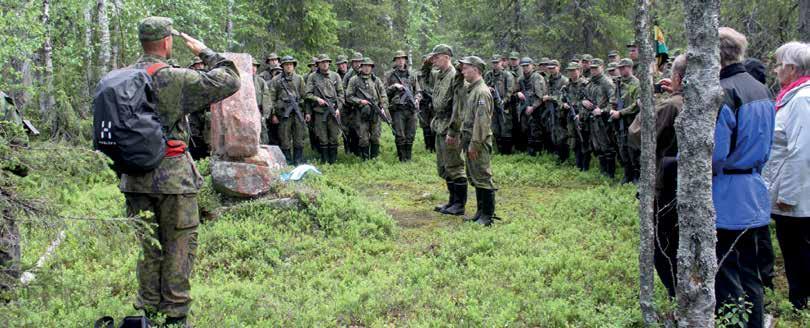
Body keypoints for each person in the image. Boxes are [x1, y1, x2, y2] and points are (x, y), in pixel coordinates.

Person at [122, 17, 240, 326]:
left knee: (149, 247)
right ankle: (174, 316)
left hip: (133, 178)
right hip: (172, 178)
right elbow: (229, 79)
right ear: (165, 42)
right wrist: (206, 52)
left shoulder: (122, 77)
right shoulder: (172, 78)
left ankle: (147, 312)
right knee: (179, 246)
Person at [712, 27, 776, 328]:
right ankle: (757, 322)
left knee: (726, 269)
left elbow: (717, 153)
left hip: (727, 192)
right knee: (751, 269)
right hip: (754, 188)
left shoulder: (724, 92)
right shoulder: (762, 89)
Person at [629, 54, 687, 298]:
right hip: (691, 183)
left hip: (666, 185)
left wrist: (649, 106)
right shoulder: (703, 101)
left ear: (677, 77)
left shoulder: (672, 105)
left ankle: (677, 295)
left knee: (662, 246)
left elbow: (638, 136)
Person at [764, 41, 810, 311]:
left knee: (798, 250)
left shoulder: (803, 100)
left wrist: (788, 196)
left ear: (792, 68)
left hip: (797, 196)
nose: (776, 70)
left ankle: (800, 305)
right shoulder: (792, 96)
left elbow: (801, 151)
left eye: (780, 65)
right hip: (791, 190)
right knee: (793, 249)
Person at [423, 44, 467, 216]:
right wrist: (426, 64)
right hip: (440, 124)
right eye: (433, 58)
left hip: (450, 125)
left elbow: (459, 108)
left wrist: (454, 131)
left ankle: (459, 204)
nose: (434, 60)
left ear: (447, 57)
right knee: (444, 166)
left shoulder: (455, 77)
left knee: (455, 165)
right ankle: (452, 201)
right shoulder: (440, 75)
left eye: (437, 57)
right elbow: (424, 79)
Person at [457, 56, 498, 226]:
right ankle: (480, 213)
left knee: (483, 176)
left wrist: (475, 144)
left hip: (478, 142)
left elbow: (482, 122)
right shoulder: (472, 89)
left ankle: (487, 216)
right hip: (471, 140)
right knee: (475, 176)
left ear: (476, 69)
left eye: (466, 68)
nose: (463, 71)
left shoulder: (481, 92)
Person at [305, 54, 345, 164]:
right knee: (322, 137)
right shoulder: (312, 77)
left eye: (326, 62)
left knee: (334, 137)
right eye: (322, 62)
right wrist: (317, 99)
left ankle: (333, 161)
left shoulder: (335, 76)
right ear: (318, 64)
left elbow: (341, 95)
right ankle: (325, 161)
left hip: (333, 111)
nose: (324, 64)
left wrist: (338, 109)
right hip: (319, 112)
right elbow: (307, 94)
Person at [347, 58, 389, 160]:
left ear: (371, 67)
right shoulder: (354, 80)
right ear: (361, 67)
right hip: (361, 113)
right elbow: (348, 96)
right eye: (365, 66)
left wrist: (383, 107)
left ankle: (374, 159)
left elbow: (383, 95)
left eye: (369, 66)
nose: (367, 68)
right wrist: (360, 101)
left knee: (375, 137)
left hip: (375, 112)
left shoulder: (376, 80)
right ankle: (365, 160)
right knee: (363, 138)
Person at [269, 56, 307, 165]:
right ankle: (288, 161)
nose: (289, 66)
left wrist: (306, 112)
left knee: (299, 137)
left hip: (297, 112)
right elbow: (271, 98)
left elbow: (304, 96)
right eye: (286, 64)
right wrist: (273, 114)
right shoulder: (276, 80)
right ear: (283, 66)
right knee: (284, 138)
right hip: (283, 113)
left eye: (291, 64)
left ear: (294, 66)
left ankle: (298, 161)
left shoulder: (299, 79)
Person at [385, 51, 421, 162]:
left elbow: (418, 90)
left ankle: (408, 159)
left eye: (402, 58)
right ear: (395, 61)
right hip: (397, 110)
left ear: (405, 60)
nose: (400, 60)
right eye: (398, 59)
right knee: (400, 135)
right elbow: (384, 91)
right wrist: (394, 86)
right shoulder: (389, 75)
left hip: (410, 109)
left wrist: (416, 99)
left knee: (411, 135)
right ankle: (402, 159)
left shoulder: (412, 75)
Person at [582, 58, 616, 178]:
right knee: (597, 146)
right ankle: (603, 172)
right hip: (592, 119)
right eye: (592, 68)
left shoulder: (607, 82)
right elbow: (585, 97)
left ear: (602, 67)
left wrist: (602, 111)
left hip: (605, 120)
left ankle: (610, 174)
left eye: (596, 68)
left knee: (607, 146)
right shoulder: (590, 83)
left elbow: (614, 102)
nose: (593, 70)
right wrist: (584, 102)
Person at [610, 58, 641, 184]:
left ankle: (636, 176)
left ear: (630, 67)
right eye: (620, 68)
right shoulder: (618, 84)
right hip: (619, 121)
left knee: (633, 149)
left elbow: (636, 104)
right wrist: (612, 109)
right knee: (622, 148)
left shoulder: (636, 83)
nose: (622, 70)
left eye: (624, 67)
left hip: (631, 121)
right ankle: (627, 175)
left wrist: (621, 113)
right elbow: (612, 99)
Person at [484, 54, 516, 154]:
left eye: (497, 62)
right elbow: (483, 86)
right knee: (495, 128)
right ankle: (499, 150)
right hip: (492, 104)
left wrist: (504, 101)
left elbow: (510, 90)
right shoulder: (489, 75)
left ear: (501, 62)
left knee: (506, 127)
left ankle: (507, 152)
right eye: (493, 63)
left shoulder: (507, 74)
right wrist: (488, 89)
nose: (495, 65)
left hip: (504, 105)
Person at [563, 62, 592, 171]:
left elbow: (589, 102)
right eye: (570, 71)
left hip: (582, 117)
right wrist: (564, 104)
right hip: (571, 116)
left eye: (574, 70)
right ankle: (578, 164)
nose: (572, 73)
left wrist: (581, 114)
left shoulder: (585, 84)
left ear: (579, 71)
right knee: (574, 140)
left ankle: (585, 167)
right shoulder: (567, 85)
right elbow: (563, 99)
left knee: (583, 140)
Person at [516, 57, 547, 156]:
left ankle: (537, 152)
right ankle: (529, 151)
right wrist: (518, 93)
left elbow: (541, 96)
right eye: (523, 66)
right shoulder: (520, 79)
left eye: (527, 66)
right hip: (524, 107)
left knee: (536, 130)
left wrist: (533, 107)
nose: (525, 68)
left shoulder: (537, 77)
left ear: (532, 65)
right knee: (525, 129)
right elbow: (514, 91)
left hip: (536, 108)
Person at [544, 60, 569, 163]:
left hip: (561, 111)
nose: (551, 70)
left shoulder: (564, 81)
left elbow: (564, 97)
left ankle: (564, 158)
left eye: (553, 68)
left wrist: (550, 97)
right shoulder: (549, 80)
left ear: (558, 67)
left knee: (562, 135)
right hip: (551, 110)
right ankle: (557, 155)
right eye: (549, 68)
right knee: (553, 133)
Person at [342, 52, 365, 156]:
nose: (358, 64)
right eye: (356, 62)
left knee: (362, 129)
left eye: (359, 61)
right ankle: (351, 150)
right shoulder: (348, 75)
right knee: (351, 129)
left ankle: (361, 151)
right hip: (351, 106)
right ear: (352, 63)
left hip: (363, 106)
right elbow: (343, 90)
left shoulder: (366, 72)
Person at [418, 54, 436, 153]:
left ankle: (434, 147)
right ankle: (428, 147)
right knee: (425, 125)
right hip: (423, 102)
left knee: (434, 124)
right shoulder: (419, 75)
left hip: (433, 101)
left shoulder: (435, 73)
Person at [252, 58, 273, 145]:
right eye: (251, 66)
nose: (253, 68)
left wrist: (265, 114)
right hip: (245, 113)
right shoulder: (241, 80)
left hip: (258, 111)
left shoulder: (261, 81)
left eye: (255, 66)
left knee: (262, 132)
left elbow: (266, 98)